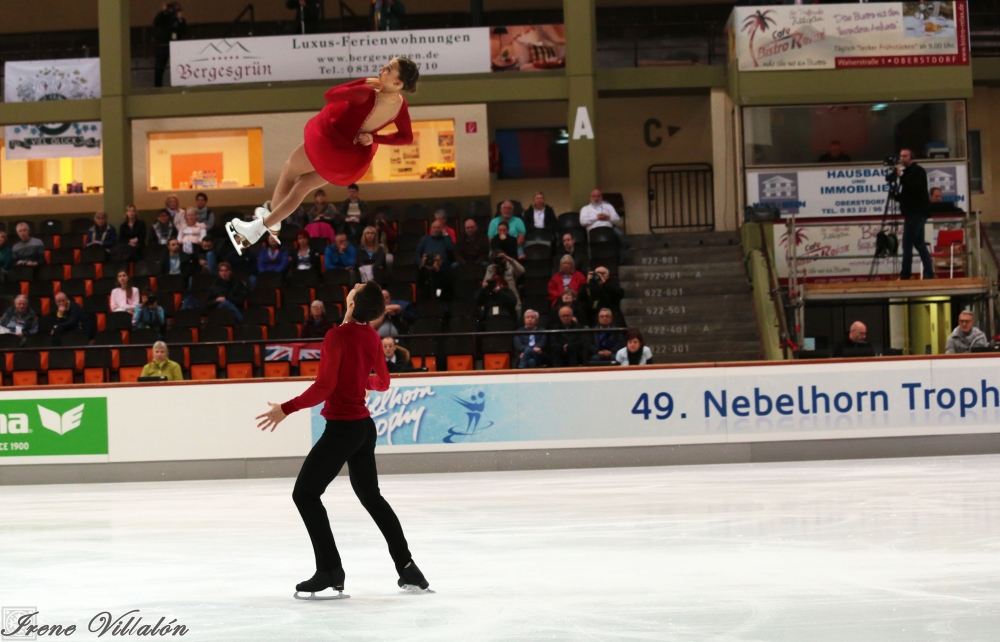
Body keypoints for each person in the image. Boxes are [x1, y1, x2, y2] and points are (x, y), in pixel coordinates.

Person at [255, 282, 430, 597]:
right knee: (371, 498)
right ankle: (407, 567)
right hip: (364, 428)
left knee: (305, 495)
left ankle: (330, 569)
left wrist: (286, 408)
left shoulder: (336, 336)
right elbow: (384, 382)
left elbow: (323, 388)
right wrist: (362, 381)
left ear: (351, 302)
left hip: (343, 429)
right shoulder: (373, 337)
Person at [227, 60, 419, 253]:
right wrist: (374, 137)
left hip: (330, 144)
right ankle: (262, 226)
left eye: (388, 70)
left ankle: (268, 223)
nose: (382, 69)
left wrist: (363, 81)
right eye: (386, 65)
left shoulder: (366, 93)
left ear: (397, 84)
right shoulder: (400, 106)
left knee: (288, 171)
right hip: (348, 158)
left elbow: (331, 95)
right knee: (302, 187)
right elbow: (406, 137)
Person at [892, 148, 934, 280]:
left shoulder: (918, 171)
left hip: (916, 212)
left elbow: (915, 188)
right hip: (913, 212)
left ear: (911, 157)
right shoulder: (908, 172)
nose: (902, 158)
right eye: (901, 156)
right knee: (919, 243)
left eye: (905, 156)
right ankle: (928, 272)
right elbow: (908, 194)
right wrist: (896, 195)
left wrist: (901, 177)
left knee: (907, 243)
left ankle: (905, 274)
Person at [153, 3, 187, 88]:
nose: (175, 11)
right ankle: (157, 88)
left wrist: (180, 20)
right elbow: (155, 22)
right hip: (163, 46)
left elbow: (184, 31)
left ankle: (179, 86)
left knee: (178, 69)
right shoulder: (164, 17)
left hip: (176, 47)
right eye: (174, 9)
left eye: (178, 10)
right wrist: (163, 12)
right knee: (159, 69)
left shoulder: (180, 20)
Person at [483, 252, 525, 316]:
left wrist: (508, 258)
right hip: (497, 302)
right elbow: (485, 284)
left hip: (512, 300)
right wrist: (493, 272)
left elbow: (522, 270)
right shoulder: (491, 268)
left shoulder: (510, 267)